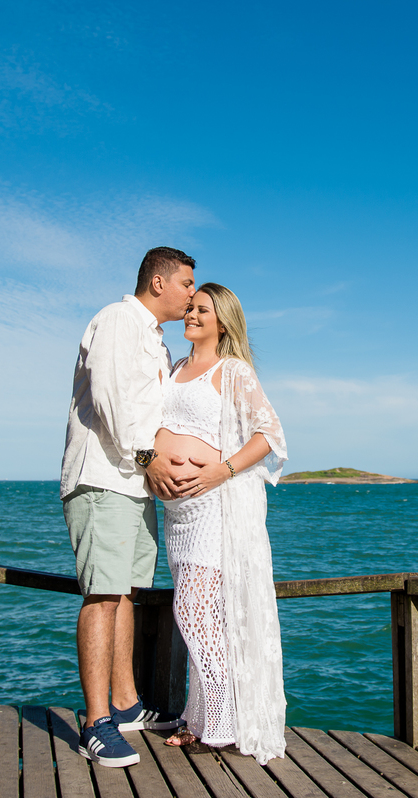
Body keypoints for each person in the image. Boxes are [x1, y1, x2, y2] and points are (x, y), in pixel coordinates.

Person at [60, 246, 197, 767]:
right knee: (103, 593)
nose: (191, 294)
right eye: (186, 283)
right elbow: (110, 399)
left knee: (126, 593)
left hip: (135, 485)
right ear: (159, 282)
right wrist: (150, 460)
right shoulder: (119, 320)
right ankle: (95, 723)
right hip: (103, 479)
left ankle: (125, 705)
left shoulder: (157, 343)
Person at [155, 282, 288, 764]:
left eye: (201, 309)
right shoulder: (174, 369)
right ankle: (201, 718)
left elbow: (269, 434)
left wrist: (221, 470)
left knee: (193, 611)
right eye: (189, 307)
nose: (190, 313)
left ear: (223, 321)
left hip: (214, 506)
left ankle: (225, 718)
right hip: (178, 510)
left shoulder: (232, 371)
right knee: (205, 615)